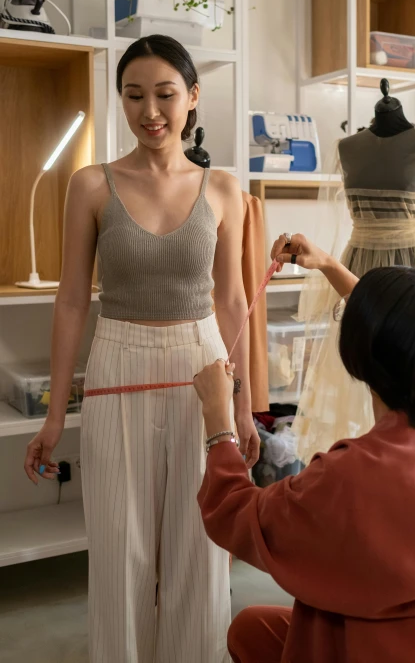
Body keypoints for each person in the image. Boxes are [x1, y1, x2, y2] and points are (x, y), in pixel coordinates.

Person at [23, 34, 260, 663]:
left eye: (164, 94)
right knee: (119, 545)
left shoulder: (224, 189)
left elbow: (233, 301)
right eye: (134, 96)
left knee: (199, 543)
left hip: (202, 363)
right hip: (118, 359)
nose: (149, 111)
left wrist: (244, 407)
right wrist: (53, 415)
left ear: (192, 98)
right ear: (121, 101)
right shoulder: (90, 185)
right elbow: (73, 300)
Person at [194, 233, 415, 663]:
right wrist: (329, 265)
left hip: (374, 648)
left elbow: (233, 514)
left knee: (250, 632)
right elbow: (408, 337)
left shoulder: (348, 474)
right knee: (253, 628)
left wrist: (216, 418)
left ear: (356, 355)